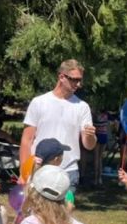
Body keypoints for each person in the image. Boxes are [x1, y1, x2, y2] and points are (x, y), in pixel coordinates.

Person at [20, 59, 96, 193]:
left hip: (68, 173)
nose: (78, 84)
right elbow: (27, 140)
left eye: (80, 80)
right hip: (39, 170)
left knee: (65, 212)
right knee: (36, 213)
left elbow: (89, 145)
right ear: (61, 77)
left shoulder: (82, 107)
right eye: (74, 79)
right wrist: (24, 173)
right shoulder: (39, 102)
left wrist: (90, 136)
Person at [92, 107, 110, 187]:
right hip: (104, 135)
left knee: (96, 158)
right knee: (100, 158)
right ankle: (100, 178)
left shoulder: (94, 115)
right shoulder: (106, 116)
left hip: (97, 136)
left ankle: (96, 179)